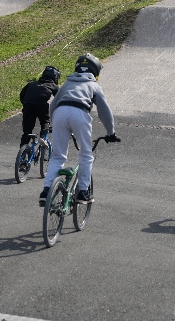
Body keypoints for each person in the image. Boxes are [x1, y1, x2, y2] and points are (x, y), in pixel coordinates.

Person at [40, 53, 120, 206]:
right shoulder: (94, 86)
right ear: (95, 71)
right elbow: (104, 111)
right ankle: (83, 192)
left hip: (59, 113)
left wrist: (54, 124)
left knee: (57, 156)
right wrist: (111, 133)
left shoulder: (67, 84)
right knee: (86, 154)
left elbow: (53, 105)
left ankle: (46, 191)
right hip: (80, 113)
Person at [19, 66, 60, 147]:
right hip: (42, 105)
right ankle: (43, 137)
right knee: (45, 121)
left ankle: (22, 152)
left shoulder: (31, 84)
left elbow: (22, 95)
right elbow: (59, 100)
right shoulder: (53, 86)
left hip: (28, 105)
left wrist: (26, 104)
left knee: (27, 130)